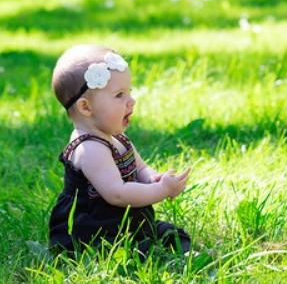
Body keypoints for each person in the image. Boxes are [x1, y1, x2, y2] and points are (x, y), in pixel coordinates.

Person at [49, 44, 192, 258]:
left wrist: (154, 178)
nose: (131, 101)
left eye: (129, 92)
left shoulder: (116, 137)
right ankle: (159, 259)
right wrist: (162, 191)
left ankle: (189, 254)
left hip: (125, 220)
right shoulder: (89, 148)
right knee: (133, 251)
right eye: (119, 95)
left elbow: (140, 167)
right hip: (94, 228)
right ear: (85, 107)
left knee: (169, 232)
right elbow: (117, 193)